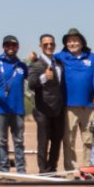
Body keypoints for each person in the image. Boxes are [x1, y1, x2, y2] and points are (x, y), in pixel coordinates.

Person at [53, 28, 94, 171]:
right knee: (69, 141)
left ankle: (87, 170)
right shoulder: (60, 57)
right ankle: (71, 171)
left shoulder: (92, 58)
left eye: (75, 40)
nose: (72, 43)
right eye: (69, 41)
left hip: (88, 107)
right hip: (69, 107)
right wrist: (35, 57)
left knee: (88, 140)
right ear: (66, 44)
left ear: (82, 42)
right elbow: (45, 59)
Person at [0, 35, 28, 173]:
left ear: (18, 47)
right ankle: (4, 170)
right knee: (2, 141)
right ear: (3, 47)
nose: (10, 48)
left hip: (17, 108)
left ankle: (21, 170)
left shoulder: (22, 66)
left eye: (13, 45)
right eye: (7, 45)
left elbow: (31, 79)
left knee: (19, 141)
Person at [26, 34, 64, 173]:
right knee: (43, 141)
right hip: (43, 108)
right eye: (45, 44)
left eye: (51, 44)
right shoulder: (36, 65)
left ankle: (52, 168)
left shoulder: (59, 64)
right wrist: (44, 77)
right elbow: (31, 84)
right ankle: (43, 170)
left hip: (59, 108)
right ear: (40, 45)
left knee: (56, 140)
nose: (49, 46)